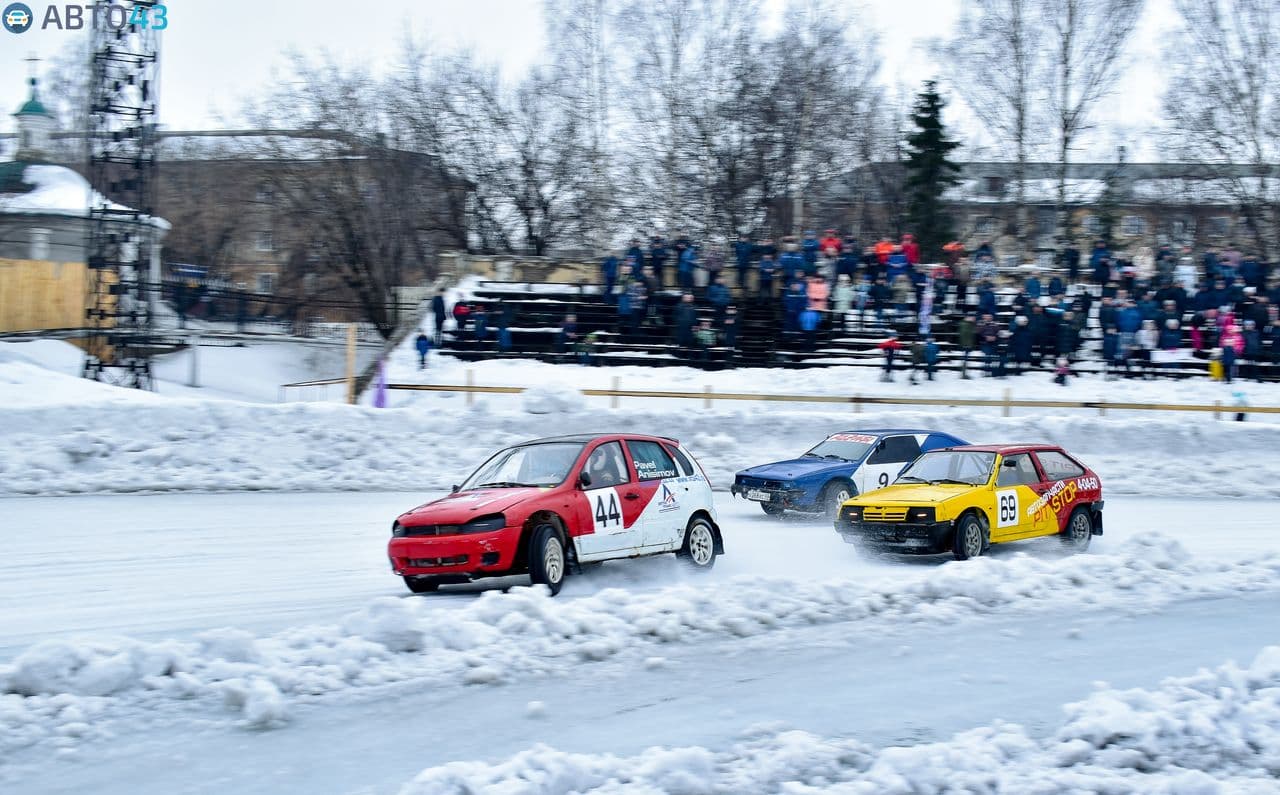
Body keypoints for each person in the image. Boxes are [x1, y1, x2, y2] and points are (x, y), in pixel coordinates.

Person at [957, 312, 977, 379]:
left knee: (966, 359)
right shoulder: (965, 324)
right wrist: (965, 345)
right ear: (968, 317)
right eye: (973, 317)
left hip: (968, 344)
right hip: (965, 345)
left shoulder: (970, 324)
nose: (974, 318)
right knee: (965, 359)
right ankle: (963, 374)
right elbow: (964, 335)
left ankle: (964, 374)